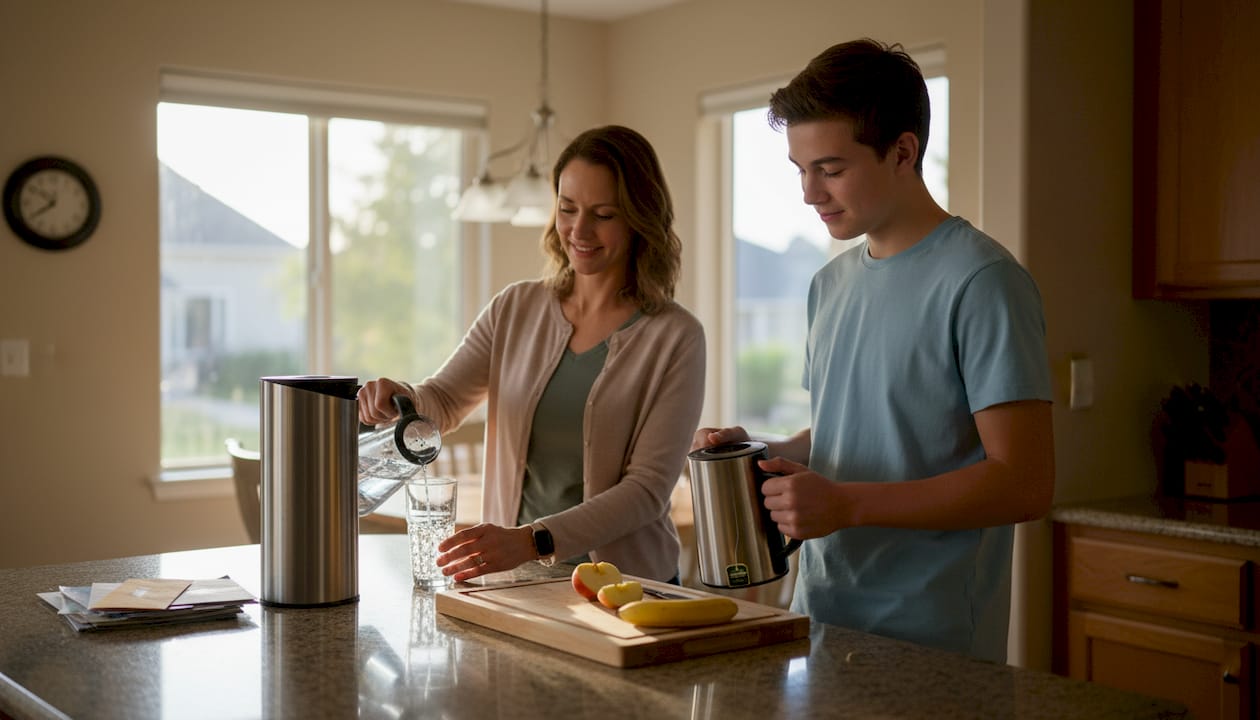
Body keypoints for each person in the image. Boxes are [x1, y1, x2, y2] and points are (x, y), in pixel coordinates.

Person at [692, 39, 1055, 663]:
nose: (810, 192)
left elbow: (1023, 483)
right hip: (822, 618)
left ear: (903, 152)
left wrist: (848, 504)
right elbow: (851, 429)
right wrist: (767, 454)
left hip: (935, 642)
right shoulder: (829, 284)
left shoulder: (983, 281)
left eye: (830, 169)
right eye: (799, 170)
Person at [360, 125, 705, 585]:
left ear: (639, 218)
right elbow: (443, 400)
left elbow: (646, 491)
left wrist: (529, 541)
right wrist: (403, 397)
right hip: (516, 583)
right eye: (567, 209)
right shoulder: (515, 308)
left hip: (627, 590)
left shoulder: (676, 337)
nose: (579, 231)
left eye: (603, 214)